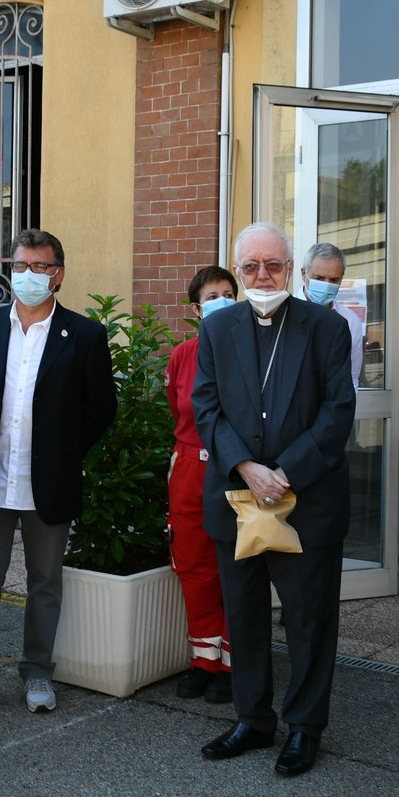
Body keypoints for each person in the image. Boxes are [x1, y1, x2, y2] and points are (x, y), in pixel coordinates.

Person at [191, 222, 356, 777]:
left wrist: (283, 474)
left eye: (274, 265)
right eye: (251, 267)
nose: (263, 275)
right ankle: (253, 717)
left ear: (293, 269)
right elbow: (206, 407)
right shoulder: (218, 329)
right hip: (236, 496)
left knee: (309, 620)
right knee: (245, 614)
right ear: (237, 272)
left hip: (305, 500)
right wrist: (246, 467)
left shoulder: (327, 328)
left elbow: (337, 413)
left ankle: (305, 727)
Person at [0, 229, 116, 713]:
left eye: (40, 267)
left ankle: (37, 672)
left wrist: (65, 453)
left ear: (59, 275)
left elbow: (101, 408)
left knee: (44, 582)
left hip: (49, 481)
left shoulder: (85, 334)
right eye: (21, 266)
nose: (29, 275)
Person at [163, 264, 239, 703]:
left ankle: (233, 661)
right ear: (196, 308)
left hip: (234, 468)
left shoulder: (251, 350)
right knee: (194, 567)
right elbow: (180, 415)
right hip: (190, 465)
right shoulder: (182, 355)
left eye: (228, 293)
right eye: (212, 296)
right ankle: (203, 661)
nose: (221, 302)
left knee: (234, 565)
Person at [300, 242, 363, 389]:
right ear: (304, 274)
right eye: (319, 278)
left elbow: (352, 377)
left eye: (334, 280)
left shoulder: (350, 320)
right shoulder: (285, 311)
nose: (326, 285)